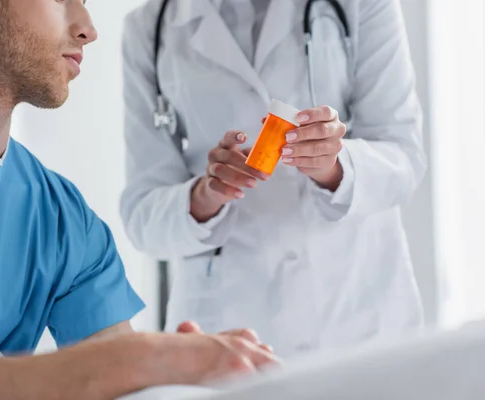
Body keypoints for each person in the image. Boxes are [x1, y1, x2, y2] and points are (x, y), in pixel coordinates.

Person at [0, 0, 277, 398]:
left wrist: (171, 371)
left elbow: (126, 385)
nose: (88, 28)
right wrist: (139, 359)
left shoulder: (65, 222)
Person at [121, 0, 427, 358]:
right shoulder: (149, 27)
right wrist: (205, 196)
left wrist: (334, 166)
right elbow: (143, 216)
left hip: (355, 307)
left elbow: (404, 156)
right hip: (226, 321)